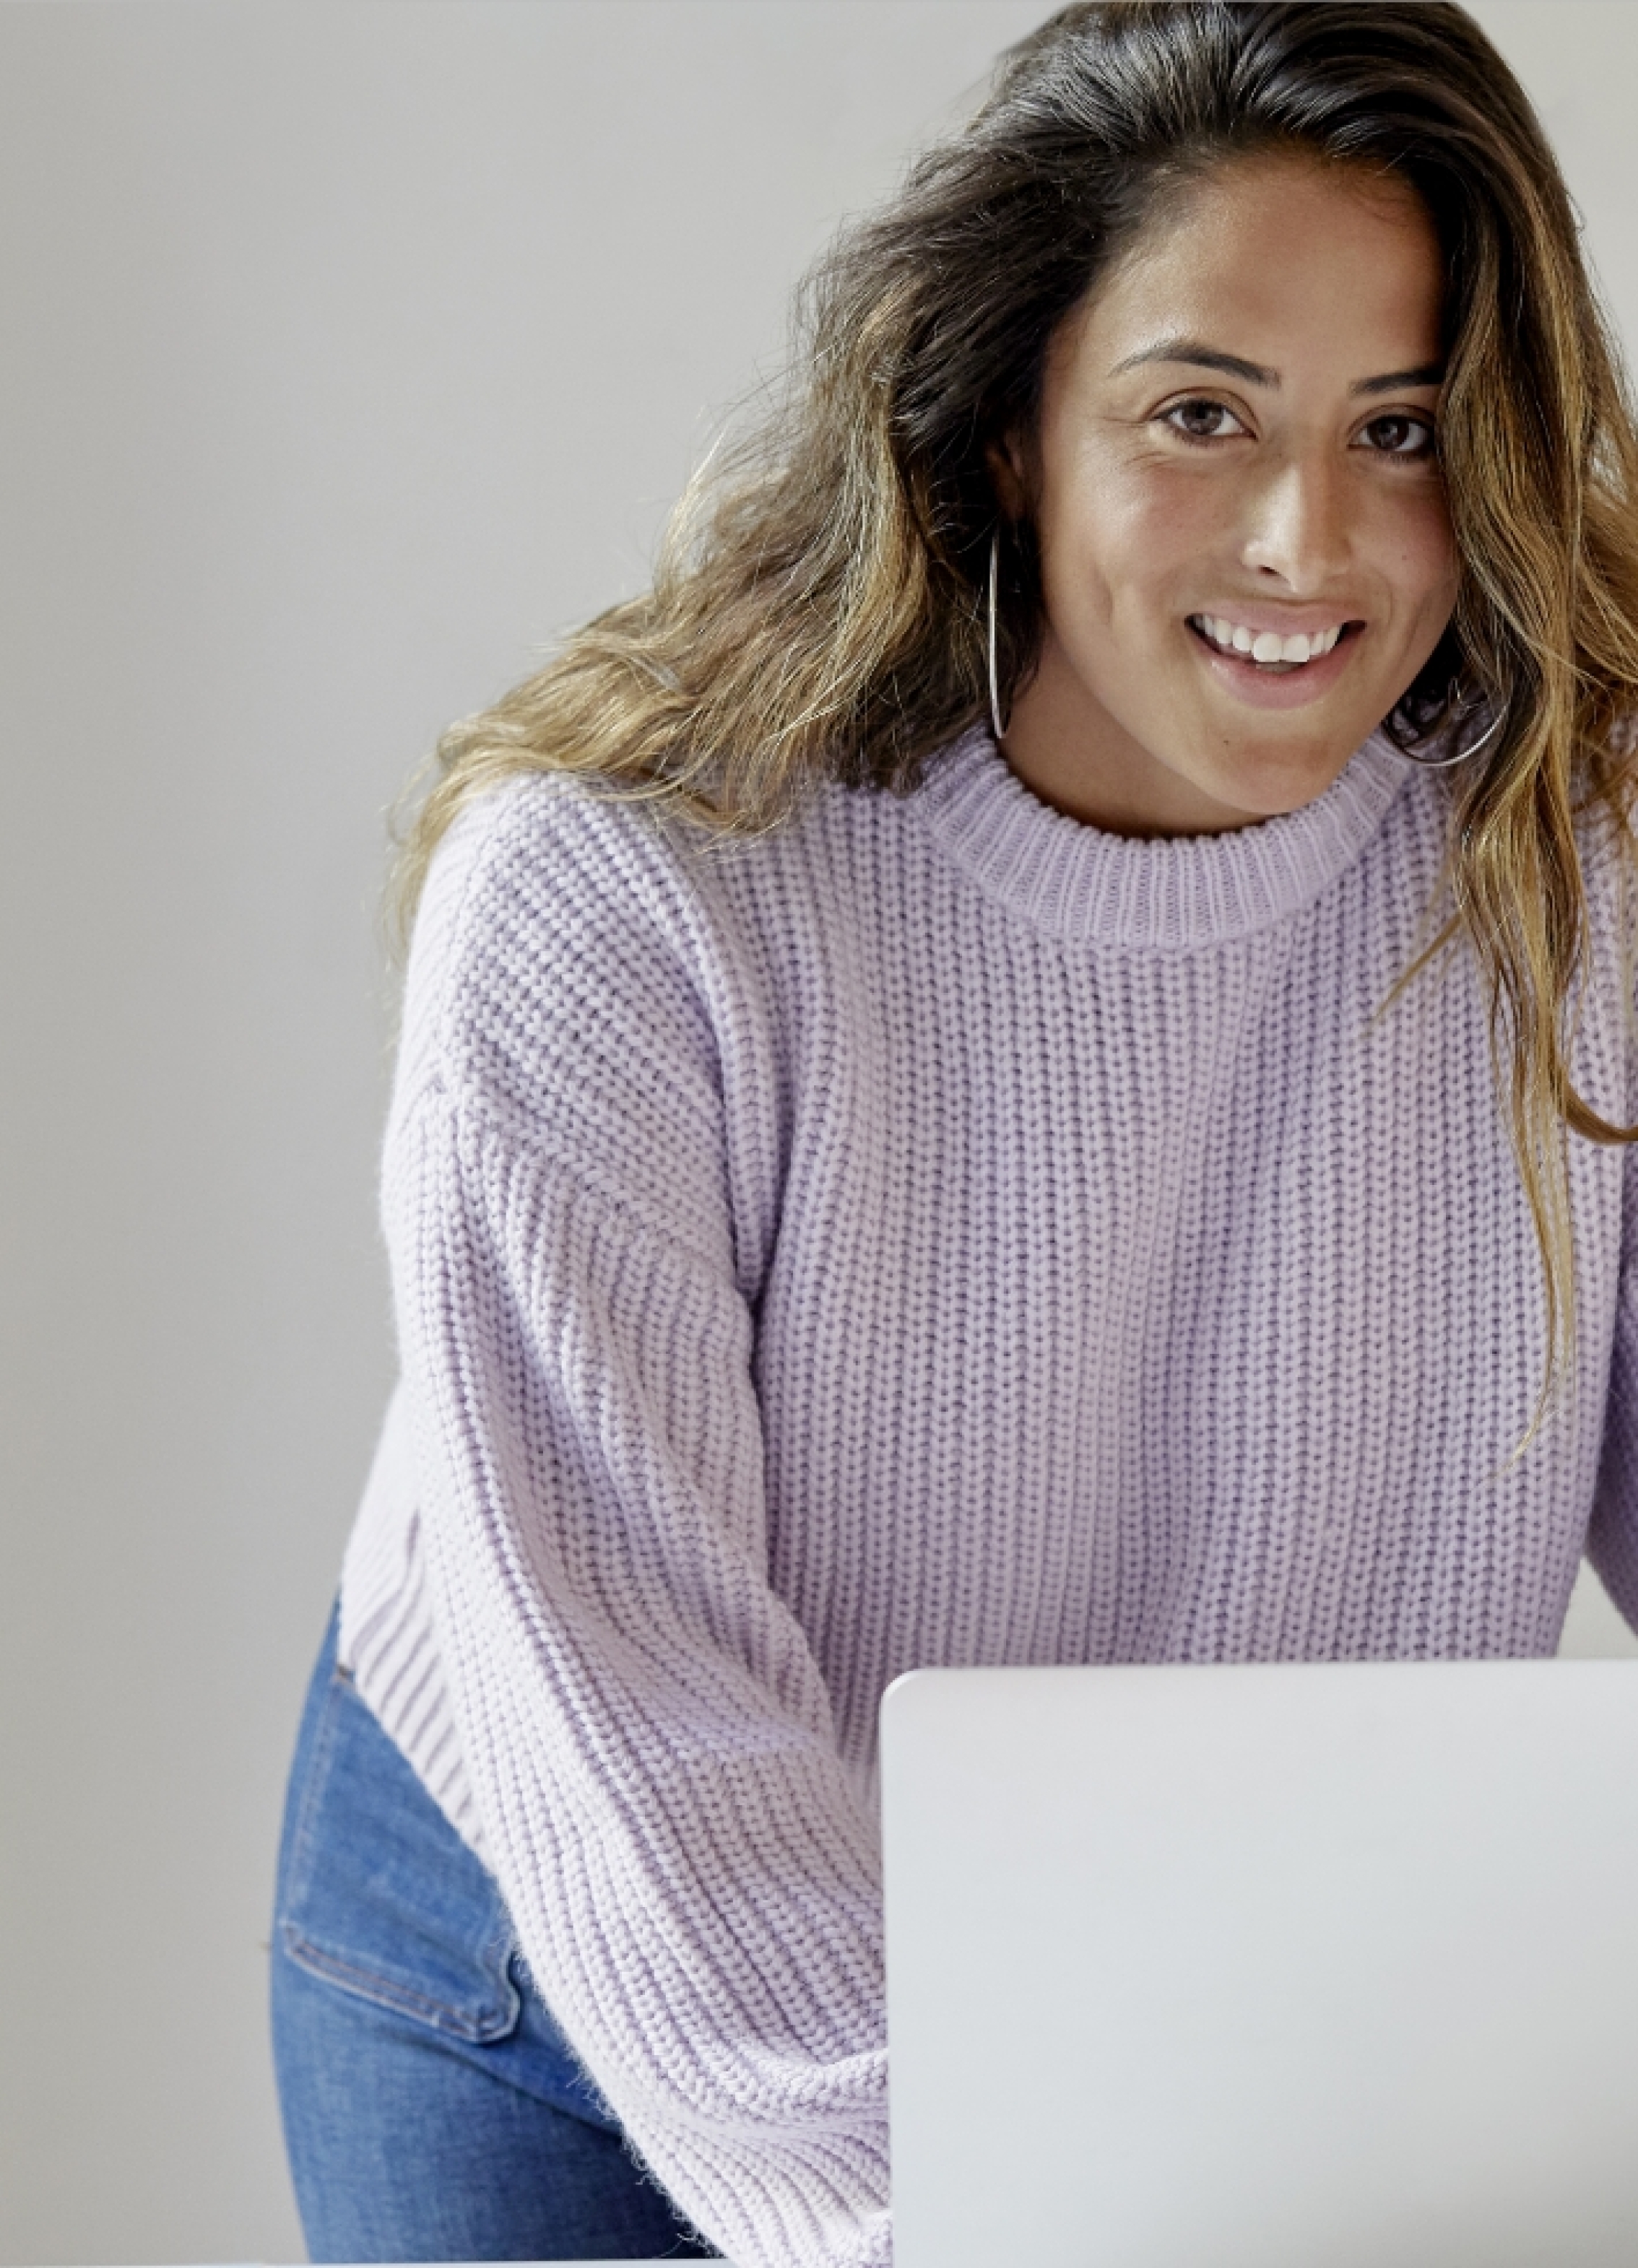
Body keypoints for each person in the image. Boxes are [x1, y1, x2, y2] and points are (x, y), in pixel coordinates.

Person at [269, 5, 1638, 2263]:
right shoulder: (625, 893)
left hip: (1236, 1967)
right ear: (1009, 425)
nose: (1312, 541)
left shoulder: (1564, 853)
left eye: (1397, 428)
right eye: (1200, 413)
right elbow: (631, 1700)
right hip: (590, 1922)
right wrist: (990, 2204)